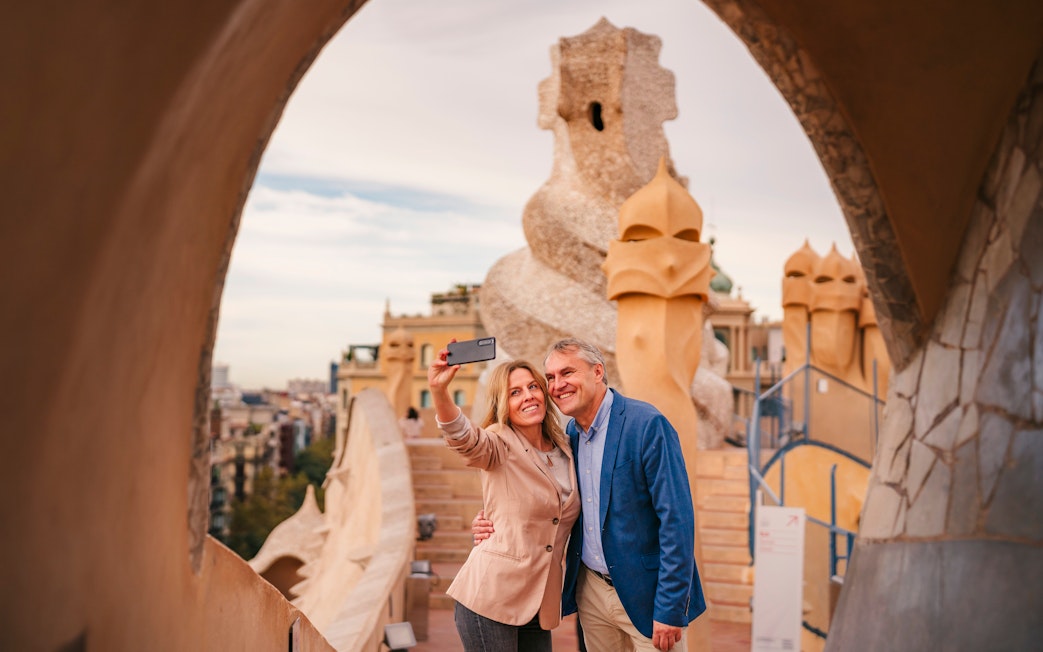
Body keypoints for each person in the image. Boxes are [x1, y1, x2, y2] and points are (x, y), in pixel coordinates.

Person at [474, 338, 706, 652]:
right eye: (551, 378)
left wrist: (670, 606)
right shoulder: (568, 438)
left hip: (647, 597)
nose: (557, 385)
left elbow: (677, 520)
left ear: (597, 372)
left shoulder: (647, 424)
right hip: (592, 595)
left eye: (567, 373)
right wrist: (490, 520)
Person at [428, 341, 581, 652]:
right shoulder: (499, 442)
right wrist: (440, 393)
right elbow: (464, 439)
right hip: (491, 597)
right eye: (515, 392)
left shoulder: (567, 447)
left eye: (533, 387)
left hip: (539, 602)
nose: (528, 397)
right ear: (503, 403)